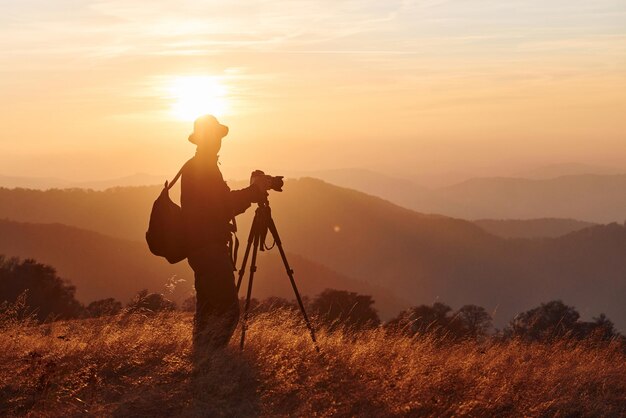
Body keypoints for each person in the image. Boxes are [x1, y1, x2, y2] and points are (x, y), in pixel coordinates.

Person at [181, 114, 270, 350]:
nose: (218, 141)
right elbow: (222, 206)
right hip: (209, 249)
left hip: (201, 248)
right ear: (205, 140)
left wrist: (252, 192)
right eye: (215, 137)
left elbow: (219, 203)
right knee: (227, 312)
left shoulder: (200, 166)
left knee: (208, 311)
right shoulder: (202, 168)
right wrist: (253, 192)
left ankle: (203, 362)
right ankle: (213, 361)